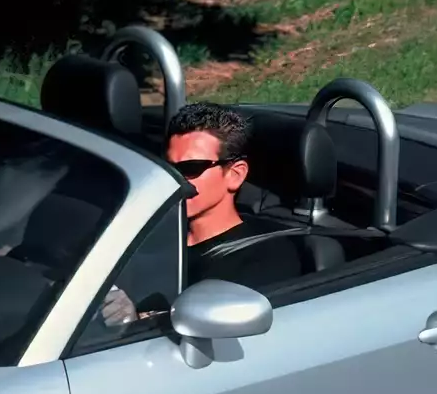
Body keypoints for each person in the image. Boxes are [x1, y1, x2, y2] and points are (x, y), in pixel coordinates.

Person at [101, 102, 299, 326]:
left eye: (192, 168)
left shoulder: (267, 257)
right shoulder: (148, 237)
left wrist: (136, 321)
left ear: (235, 175)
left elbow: (219, 329)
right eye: (170, 169)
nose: (177, 180)